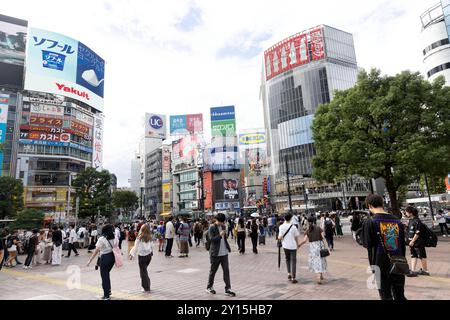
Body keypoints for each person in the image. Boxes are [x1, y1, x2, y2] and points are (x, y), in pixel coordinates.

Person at [361, 194, 407, 300]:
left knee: (385, 294)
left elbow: (367, 244)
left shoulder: (370, 222)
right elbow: (402, 243)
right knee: (399, 294)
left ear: (369, 205)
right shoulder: (397, 221)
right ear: (382, 204)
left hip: (379, 262)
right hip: (398, 261)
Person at [206, 213, 235, 297]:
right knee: (213, 271)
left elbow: (225, 239)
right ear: (217, 220)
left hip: (224, 253)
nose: (223, 223)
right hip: (215, 253)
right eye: (221, 222)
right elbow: (211, 239)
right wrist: (220, 235)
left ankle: (228, 289)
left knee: (226, 271)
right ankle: (209, 287)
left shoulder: (223, 227)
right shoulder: (212, 227)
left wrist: (228, 247)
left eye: (223, 222)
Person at [87, 224, 117, 300]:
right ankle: (108, 290)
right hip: (112, 257)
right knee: (107, 274)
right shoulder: (115, 237)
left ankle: (106, 295)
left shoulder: (102, 239)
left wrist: (90, 260)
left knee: (104, 276)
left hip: (105, 258)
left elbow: (96, 251)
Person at [298, 217, 328, 284]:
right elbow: (323, 238)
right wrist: (327, 247)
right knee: (321, 260)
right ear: (315, 221)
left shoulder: (308, 230)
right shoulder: (319, 228)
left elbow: (304, 240)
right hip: (320, 246)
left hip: (312, 248)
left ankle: (320, 275)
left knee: (316, 261)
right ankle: (319, 276)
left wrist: (299, 245)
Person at [405, 206, 430, 277]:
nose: (405, 213)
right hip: (411, 242)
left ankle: (425, 270)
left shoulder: (417, 221)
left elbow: (418, 233)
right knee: (413, 256)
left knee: (422, 256)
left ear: (411, 213)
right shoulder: (410, 221)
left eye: (406, 212)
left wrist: (412, 241)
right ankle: (412, 271)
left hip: (418, 242)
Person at [129, 224, 154, 293]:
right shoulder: (150, 237)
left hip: (142, 256)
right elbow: (152, 246)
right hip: (149, 256)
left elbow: (135, 247)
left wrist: (131, 254)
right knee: (144, 271)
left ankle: (146, 287)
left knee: (143, 272)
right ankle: (147, 285)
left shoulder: (139, 237)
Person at [278, 213, 301, 283]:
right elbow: (296, 237)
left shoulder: (281, 227)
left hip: (285, 246)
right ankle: (293, 278)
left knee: (287, 259)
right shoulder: (293, 227)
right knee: (293, 261)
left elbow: (279, 237)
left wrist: (281, 238)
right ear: (291, 219)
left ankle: (289, 273)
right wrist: (298, 245)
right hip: (293, 246)